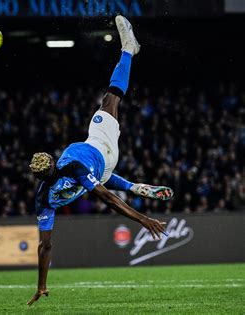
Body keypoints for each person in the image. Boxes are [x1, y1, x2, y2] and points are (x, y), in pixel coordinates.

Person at [26, 16, 174, 306]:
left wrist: (42, 284)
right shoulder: (70, 166)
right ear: (53, 164)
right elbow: (106, 198)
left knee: (103, 176)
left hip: (102, 169)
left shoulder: (43, 198)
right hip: (100, 148)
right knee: (110, 98)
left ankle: (133, 185)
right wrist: (143, 219)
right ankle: (129, 49)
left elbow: (45, 246)